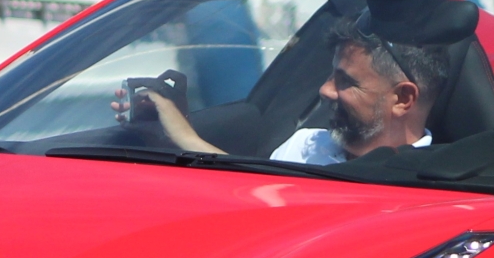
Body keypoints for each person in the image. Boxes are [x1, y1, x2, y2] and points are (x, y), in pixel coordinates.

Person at [134, 22, 444, 165]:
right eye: (330, 76)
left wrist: (185, 136)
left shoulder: (434, 183)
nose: (325, 90)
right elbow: (255, 200)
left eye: (346, 82)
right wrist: (161, 136)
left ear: (403, 99)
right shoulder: (304, 145)